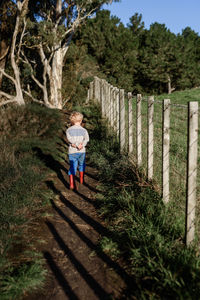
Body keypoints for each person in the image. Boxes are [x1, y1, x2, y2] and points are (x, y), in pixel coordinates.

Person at [66, 111, 89, 189]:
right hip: (82, 151)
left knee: (73, 166)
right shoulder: (84, 130)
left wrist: (75, 144)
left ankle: (72, 184)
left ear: (72, 121)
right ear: (81, 120)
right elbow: (86, 139)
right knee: (82, 164)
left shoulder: (68, 130)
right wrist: (82, 145)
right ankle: (81, 180)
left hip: (72, 151)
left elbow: (69, 139)